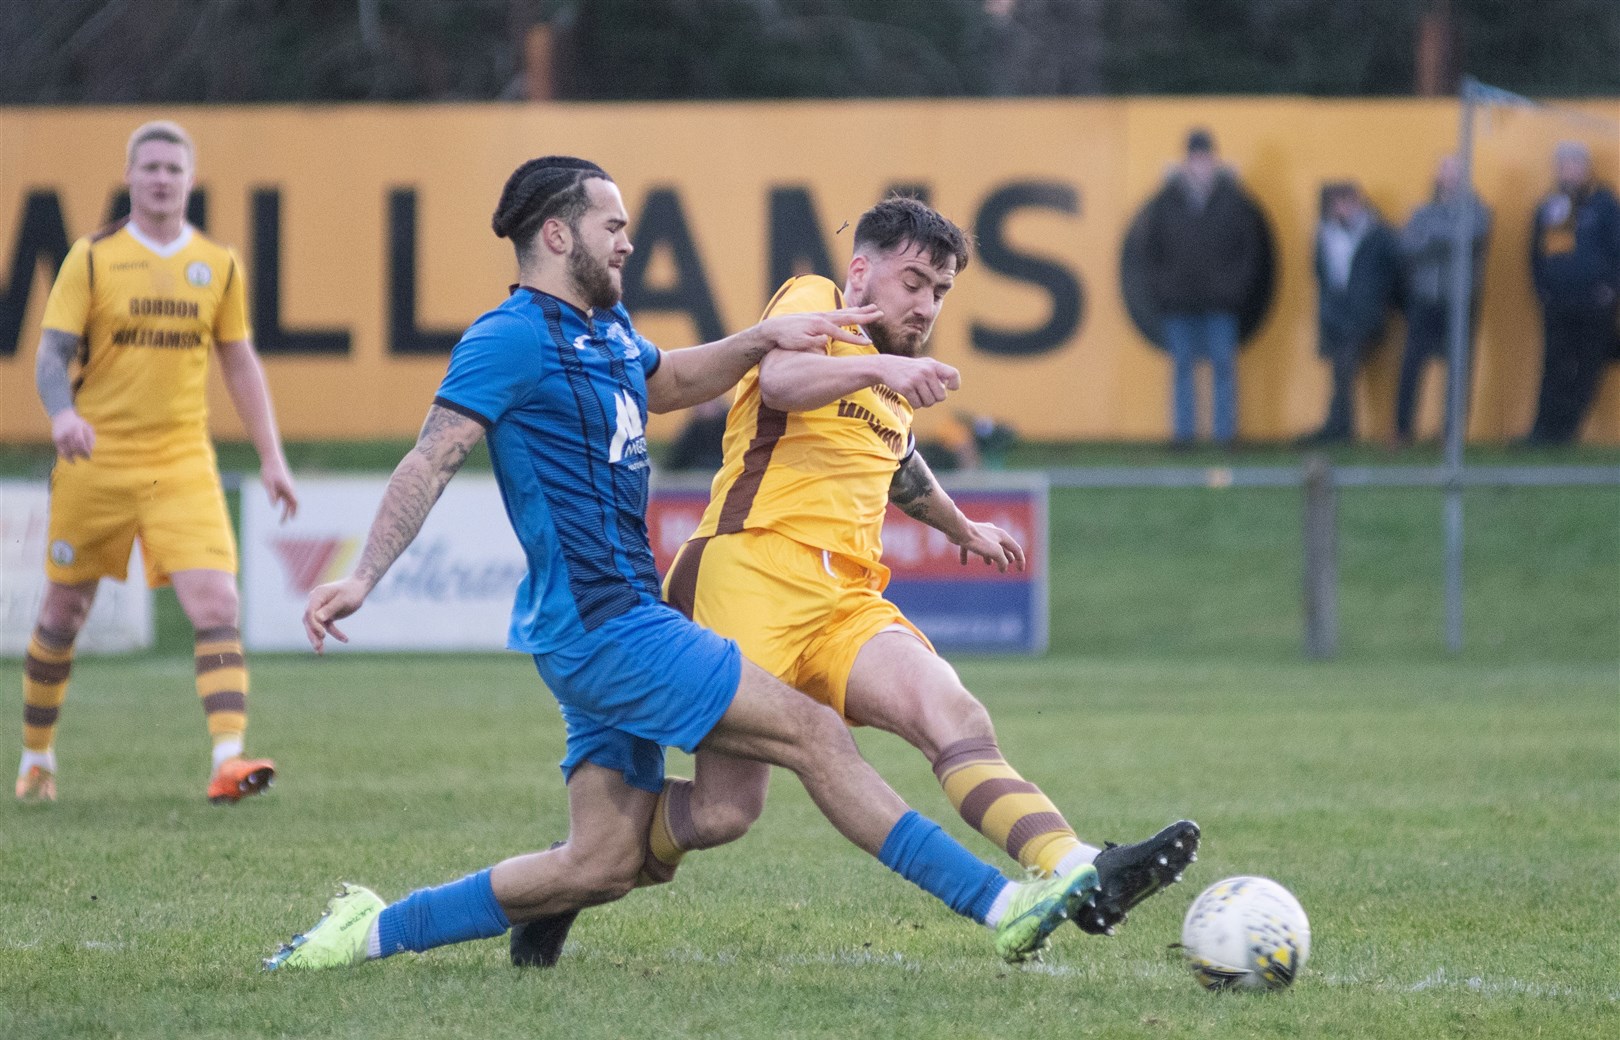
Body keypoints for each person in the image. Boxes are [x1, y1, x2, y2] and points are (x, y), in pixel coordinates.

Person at [265, 158, 1099, 973]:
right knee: (814, 734)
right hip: (606, 627)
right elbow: (431, 457)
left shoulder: (608, 334)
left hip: (618, 619)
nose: (629, 243)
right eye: (613, 226)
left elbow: (668, 383)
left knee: (598, 861)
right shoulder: (509, 338)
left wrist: (761, 338)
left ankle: (367, 931)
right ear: (556, 234)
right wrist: (363, 576)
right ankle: (1000, 905)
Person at [508, 196, 1199, 969]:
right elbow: (779, 379)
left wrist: (959, 526)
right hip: (749, 575)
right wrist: (882, 363)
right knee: (727, 809)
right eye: (913, 282)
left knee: (953, 712)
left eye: (940, 292)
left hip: (844, 599)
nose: (926, 305)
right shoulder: (818, 304)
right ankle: (565, 882)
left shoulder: (886, 384)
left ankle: (1076, 872)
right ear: (862, 269)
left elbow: (896, 458)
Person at [16, 120, 297, 805]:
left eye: (174, 168)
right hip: (97, 460)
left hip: (181, 459)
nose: (163, 179)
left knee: (217, 602)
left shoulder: (217, 264)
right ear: (131, 177)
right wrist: (63, 416)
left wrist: (271, 456)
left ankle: (228, 759)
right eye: (151, 168)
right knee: (62, 613)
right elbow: (51, 355)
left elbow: (239, 361)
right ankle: (36, 758)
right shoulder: (91, 257)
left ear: (190, 180)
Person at [1141, 128, 1264, 447]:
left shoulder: (1232, 200)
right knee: (1182, 369)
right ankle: (1184, 435)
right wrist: (1163, 288)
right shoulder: (1166, 200)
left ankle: (1225, 435)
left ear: (1214, 161)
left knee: (1223, 367)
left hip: (1221, 301)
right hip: (1179, 301)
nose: (1200, 165)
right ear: (1186, 162)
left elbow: (1249, 250)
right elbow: (1151, 250)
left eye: (1205, 158)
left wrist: (1235, 288)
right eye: (1195, 158)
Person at [1522, 142, 1620, 446]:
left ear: (1585, 168)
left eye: (1573, 165)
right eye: (1562, 166)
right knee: (1553, 365)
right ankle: (1542, 432)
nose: (1568, 172)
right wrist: (1543, 291)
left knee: (1587, 367)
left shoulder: (1604, 204)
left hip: (1595, 302)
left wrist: (1611, 289)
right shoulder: (1550, 205)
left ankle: (1566, 432)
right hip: (1558, 302)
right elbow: (1535, 252)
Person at [1392, 155, 1491, 448]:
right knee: (1410, 366)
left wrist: (1430, 236)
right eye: (1445, 172)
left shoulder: (1477, 210)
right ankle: (1401, 431)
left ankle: (1450, 435)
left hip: (1459, 301)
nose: (1450, 178)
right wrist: (1441, 238)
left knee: (1458, 370)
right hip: (1424, 299)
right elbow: (1406, 245)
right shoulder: (1423, 210)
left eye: (1456, 173)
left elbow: (1467, 237)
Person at [1302, 182, 1401, 444]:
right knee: (1340, 371)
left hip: (1362, 314)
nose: (1340, 209)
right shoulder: (1326, 233)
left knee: (1344, 369)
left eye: (1345, 202)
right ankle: (1339, 425)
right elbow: (1322, 273)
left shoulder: (1376, 233)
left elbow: (1392, 270)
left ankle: (1340, 427)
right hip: (1335, 314)